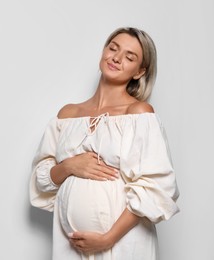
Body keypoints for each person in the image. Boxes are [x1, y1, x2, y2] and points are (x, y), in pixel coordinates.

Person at [29, 27, 180, 260]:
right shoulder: (67, 116)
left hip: (123, 244)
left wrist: (108, 238)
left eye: (130, 57)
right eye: (113, 48)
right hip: (70, 244)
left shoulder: (139, 114)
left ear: (140, 72)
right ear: (104, 51)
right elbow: (41, 179)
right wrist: (70, 166)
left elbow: (156, 188)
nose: (117, 58)